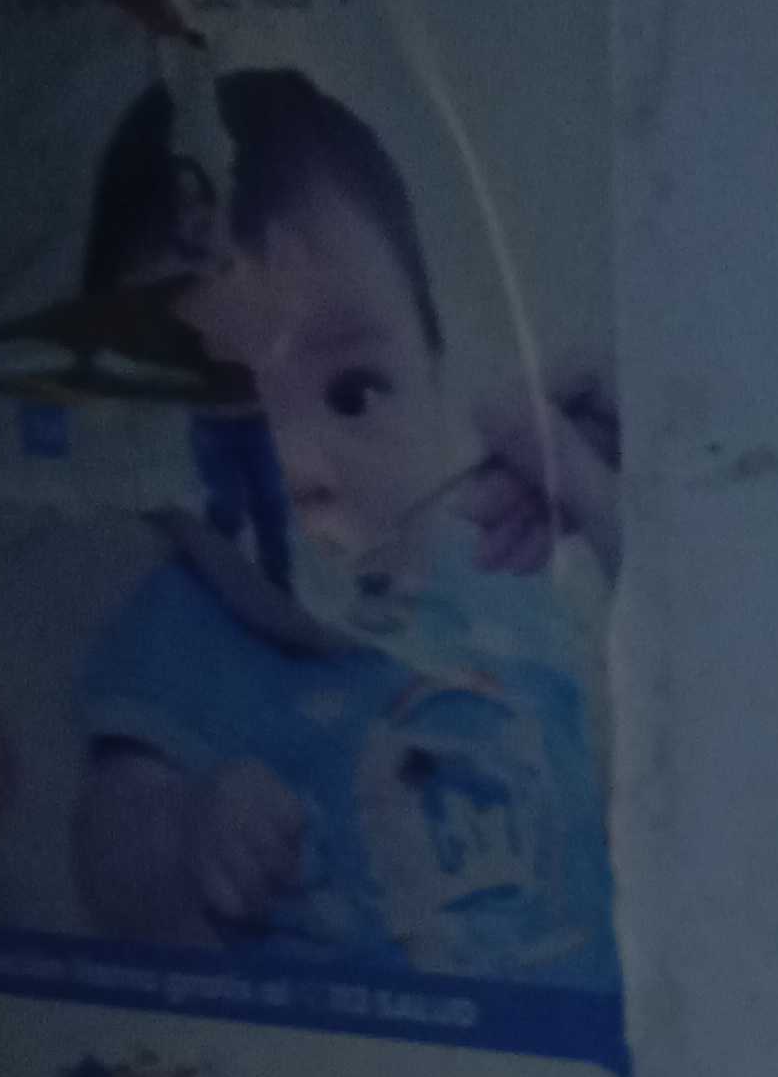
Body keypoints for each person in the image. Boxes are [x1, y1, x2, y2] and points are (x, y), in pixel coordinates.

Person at [66, 68, 619, 991]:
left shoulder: (506, 566)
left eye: (354, 394)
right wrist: (185, 829)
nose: (298, 472)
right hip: (346, 1062)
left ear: (436, 387)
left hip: (564, 1044)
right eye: (224, 420)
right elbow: (102, 848)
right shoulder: (178, 630)